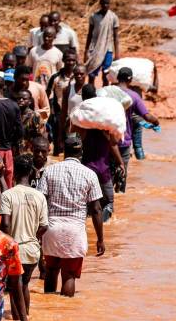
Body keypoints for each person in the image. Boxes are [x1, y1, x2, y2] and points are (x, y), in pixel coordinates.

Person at [37, 135, 105, 297]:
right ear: (81, 152)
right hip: (75, 230)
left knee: (51, 271)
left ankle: (50, 311)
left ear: (64, 151)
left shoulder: (49, 170)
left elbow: (41, 202)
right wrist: (100, 239)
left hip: (51, 229)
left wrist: (36, 232)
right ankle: (64, 309)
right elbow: (96, 209)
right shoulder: (90, 175)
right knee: (68, 274)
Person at [0, 154, 48, 319]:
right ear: (31, 172)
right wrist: (32, 236)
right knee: (24, 284)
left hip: (14, 250)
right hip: (33, 250)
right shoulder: (39, 196)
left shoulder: (8, 195)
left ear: (15, 173)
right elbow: (44, 226)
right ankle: (24, 318)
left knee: (14, 287)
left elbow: (5, 224)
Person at [78, 84, 124, 221]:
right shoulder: (105, 123)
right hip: (103, 168)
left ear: (82, 98)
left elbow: (74, 140)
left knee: (85, 204)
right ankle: (103, 229)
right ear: (96, 96)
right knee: (108, 203)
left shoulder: (81, 120)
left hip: (85, 168)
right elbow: (113, 144)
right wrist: (121, 163)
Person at [115, 68, 159, 192]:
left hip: (106, 138)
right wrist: (156, 121)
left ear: (117, 78)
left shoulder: (107, 92)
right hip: (123, 139)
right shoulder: (133, 95)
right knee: (122, 169)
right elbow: (146, 116)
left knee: (108, 172)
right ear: (130, 80)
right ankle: (120, 194)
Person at [46, 50, 78, 155]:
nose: (70, 62)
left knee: (72, 140)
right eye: (68, 60)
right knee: (57, 141)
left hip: (74, 113)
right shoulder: (55, 77)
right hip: (58, 113)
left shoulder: (78, 77)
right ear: (63, 60)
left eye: (73, 60)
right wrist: (50, 111)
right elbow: (48, 93)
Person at [85, 0, 120, 86]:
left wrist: (117, 54)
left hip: (108, 49)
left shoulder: (113, 17)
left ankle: (105, 95)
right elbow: (89, 34)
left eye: (107, 3)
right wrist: (86, 51)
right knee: (91, 74)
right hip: (95, 48)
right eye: (103, 3)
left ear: (109, 4)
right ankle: (90, 95)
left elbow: (116, 37)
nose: (105, 5)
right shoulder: (94, 17)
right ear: (100, 3)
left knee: (106, 74)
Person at [60, 64, 88, 152]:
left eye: (81, 74)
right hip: (71, 127)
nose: (79, 76)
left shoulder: (90, 89)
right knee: (71, 151)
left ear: (86, 74)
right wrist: (60, 133)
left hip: (86, 127)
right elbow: (64, 112)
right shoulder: (67, 90)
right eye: (76, 74)